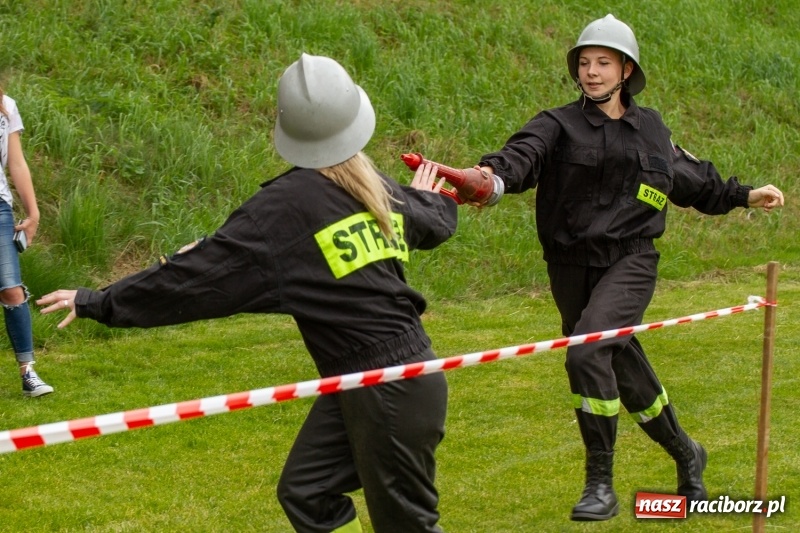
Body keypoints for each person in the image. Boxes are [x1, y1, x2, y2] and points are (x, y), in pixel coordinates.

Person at [37, 54, 457, 533]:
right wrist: (432, 197)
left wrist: (98, 301)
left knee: (406, 526)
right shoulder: (370, 187)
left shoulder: (294, 208)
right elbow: (434, 219)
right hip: (376, 380)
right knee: (307, 492)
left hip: (390, 389)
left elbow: (191, 280)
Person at [464, 14, 784, 521]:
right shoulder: (556, 124)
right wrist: (484, 180)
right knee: (619, 365)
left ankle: (600, 485)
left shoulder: (651, 128)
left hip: (631, 260)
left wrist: (744, 195)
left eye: (603, 63)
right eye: (585, 63)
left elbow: (689, 178)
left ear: (625, 70)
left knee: (588, 351)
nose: (592, 72)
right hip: (569, 266)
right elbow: (517, 158)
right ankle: (687, 453)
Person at [0, 88, 53, 397]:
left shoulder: (6, 106)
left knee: (11, 288)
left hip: (0, 207)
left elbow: (16, 163)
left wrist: (33, 213)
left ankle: (28, 373)